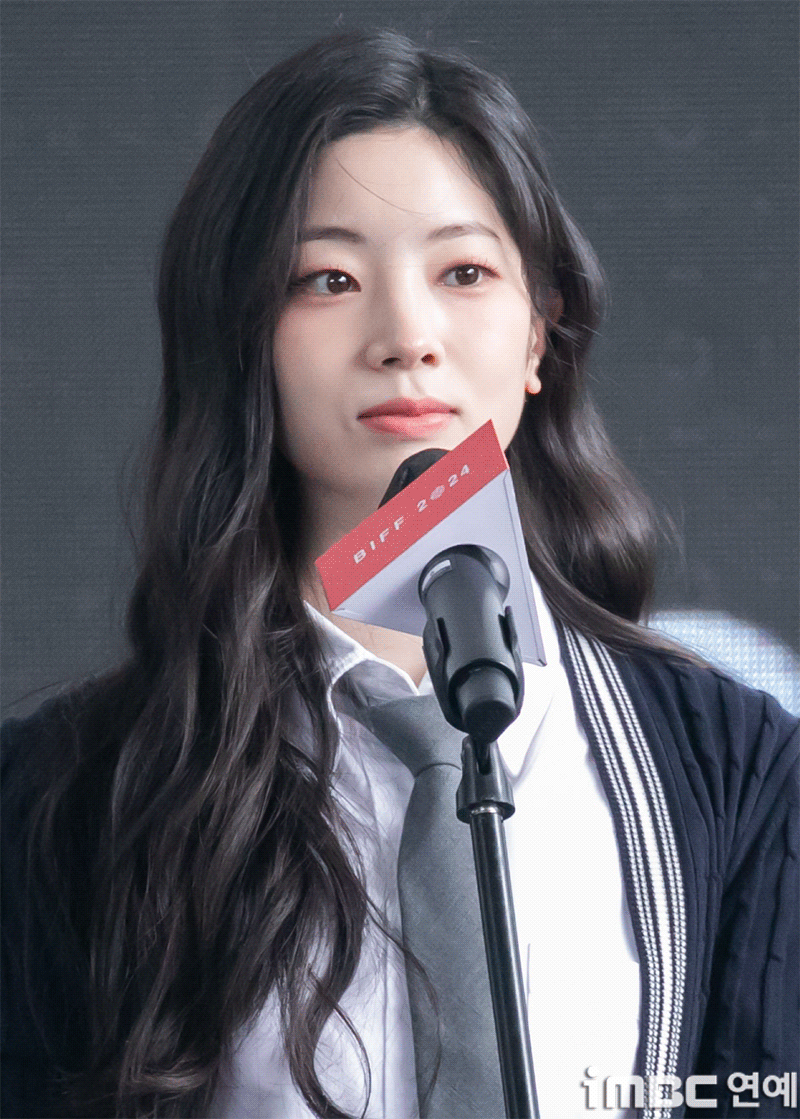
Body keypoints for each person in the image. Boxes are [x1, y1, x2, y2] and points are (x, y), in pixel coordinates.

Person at [2, 28, 797, 1119]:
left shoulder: (733, 769)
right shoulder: (59, 801)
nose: (406, 335)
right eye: (327, 279)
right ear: (239, 336)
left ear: (539, 333)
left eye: (464, 272)